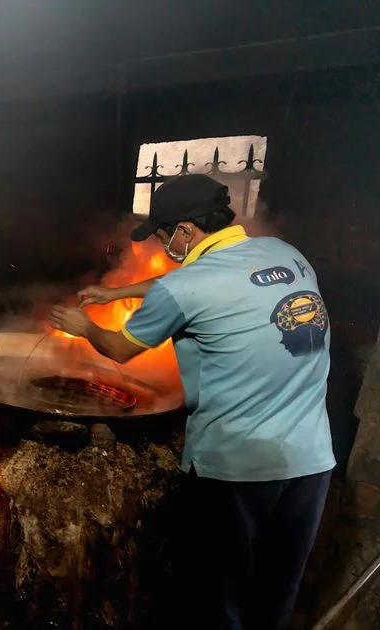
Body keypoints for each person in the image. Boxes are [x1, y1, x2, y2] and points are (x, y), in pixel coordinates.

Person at [48, 174, 335, 630]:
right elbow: (200, 284)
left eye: (163, 234)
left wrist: (83, 325)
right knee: (276, 589)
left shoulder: (187, 286)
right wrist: (117, 293)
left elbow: (121, 349)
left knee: (217, 596)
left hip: (236, 467)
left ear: (184, 230)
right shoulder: (285, 253)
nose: (162, 245)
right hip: (312, 460)